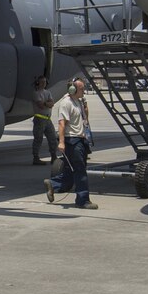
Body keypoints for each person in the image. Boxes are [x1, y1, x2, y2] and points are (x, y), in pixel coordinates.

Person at [43, 77, 98, 209]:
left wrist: (85, 106)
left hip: (80, 139)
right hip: (72, 140)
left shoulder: (78, 101)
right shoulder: (66, 103)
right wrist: (61, 142)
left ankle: (53, 183)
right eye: (81, 89)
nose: (84, 91)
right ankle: (83, 200)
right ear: (73, 89)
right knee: (80, 170)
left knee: (70, 171)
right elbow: (62, 123)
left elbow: (85, 118)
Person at [31, 75, 57, 165]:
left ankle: (54, 156)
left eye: (45, 82)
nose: (43, 84)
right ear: (37, 83)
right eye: (42, 82)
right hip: (39, 119)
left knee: (53, 138)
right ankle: (36, 157)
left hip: (47, 119)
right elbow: (40, 106)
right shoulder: (36, 93)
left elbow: (52, 103)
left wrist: (46, 103)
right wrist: (47, 103)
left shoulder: (48, 92)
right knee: (38, 139)